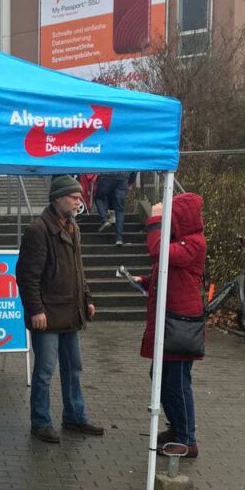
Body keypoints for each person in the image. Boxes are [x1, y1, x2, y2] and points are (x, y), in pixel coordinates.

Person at [15, 175, 103, 444]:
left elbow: (78, 270)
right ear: (57, 199)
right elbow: (27, 276)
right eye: (74, 197)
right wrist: (36, 310)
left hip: (70, 312)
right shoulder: (38, 230)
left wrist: (87, 298)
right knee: (45, 371)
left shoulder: (73, 227)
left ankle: (74, 416)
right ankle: (41, 422)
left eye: (79, 197)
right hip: (48, 315)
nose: (79, 202)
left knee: (73, 368)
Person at [134, 193, 207, 459]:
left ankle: (187, 440)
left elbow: (159, 253)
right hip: (171, 321)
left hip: (180, 324)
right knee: (160, 377)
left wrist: (154, 220)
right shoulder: (183, 242)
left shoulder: (194, 243)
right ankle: (177, 428)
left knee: (177, 382)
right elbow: (168, 270)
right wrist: (146, 281)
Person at [95, 172, 136, 246]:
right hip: (123, 177)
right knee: (120, 209)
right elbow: (134, 167)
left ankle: (104, 220)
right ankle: (119, 238)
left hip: (106, 175)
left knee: (99, 198)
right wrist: (131, 181)